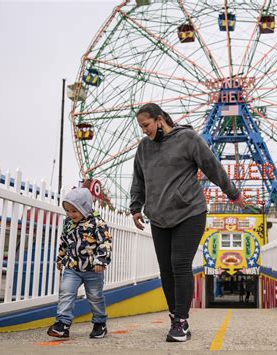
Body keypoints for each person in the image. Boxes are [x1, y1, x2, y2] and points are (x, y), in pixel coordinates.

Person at [130, 103, 246, 342]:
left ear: (159, 119)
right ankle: (175, 317)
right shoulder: (144, 148)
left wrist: (233, 193)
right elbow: (138, 179)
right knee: (166, 270)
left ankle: (181, 321)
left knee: (180, 264)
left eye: (146, 125)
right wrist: (135, 207)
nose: (144, 131)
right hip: (159, 216)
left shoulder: (188, 139)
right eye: (141, 127)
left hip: (189, 212)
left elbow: (213, 167)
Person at [47, 187, 112, 339]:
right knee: (66, 292)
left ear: (85, 207)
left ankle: (99, 323)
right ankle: (62, 324)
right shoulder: (69, 224)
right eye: (68, 211)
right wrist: (61, 258)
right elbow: (64, 242)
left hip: (93, 269)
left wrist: (101, 260)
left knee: (95, 297)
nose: (70, 214)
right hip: (72, 268)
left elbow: (105, 242)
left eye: (74, 211)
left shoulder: (97, 223)